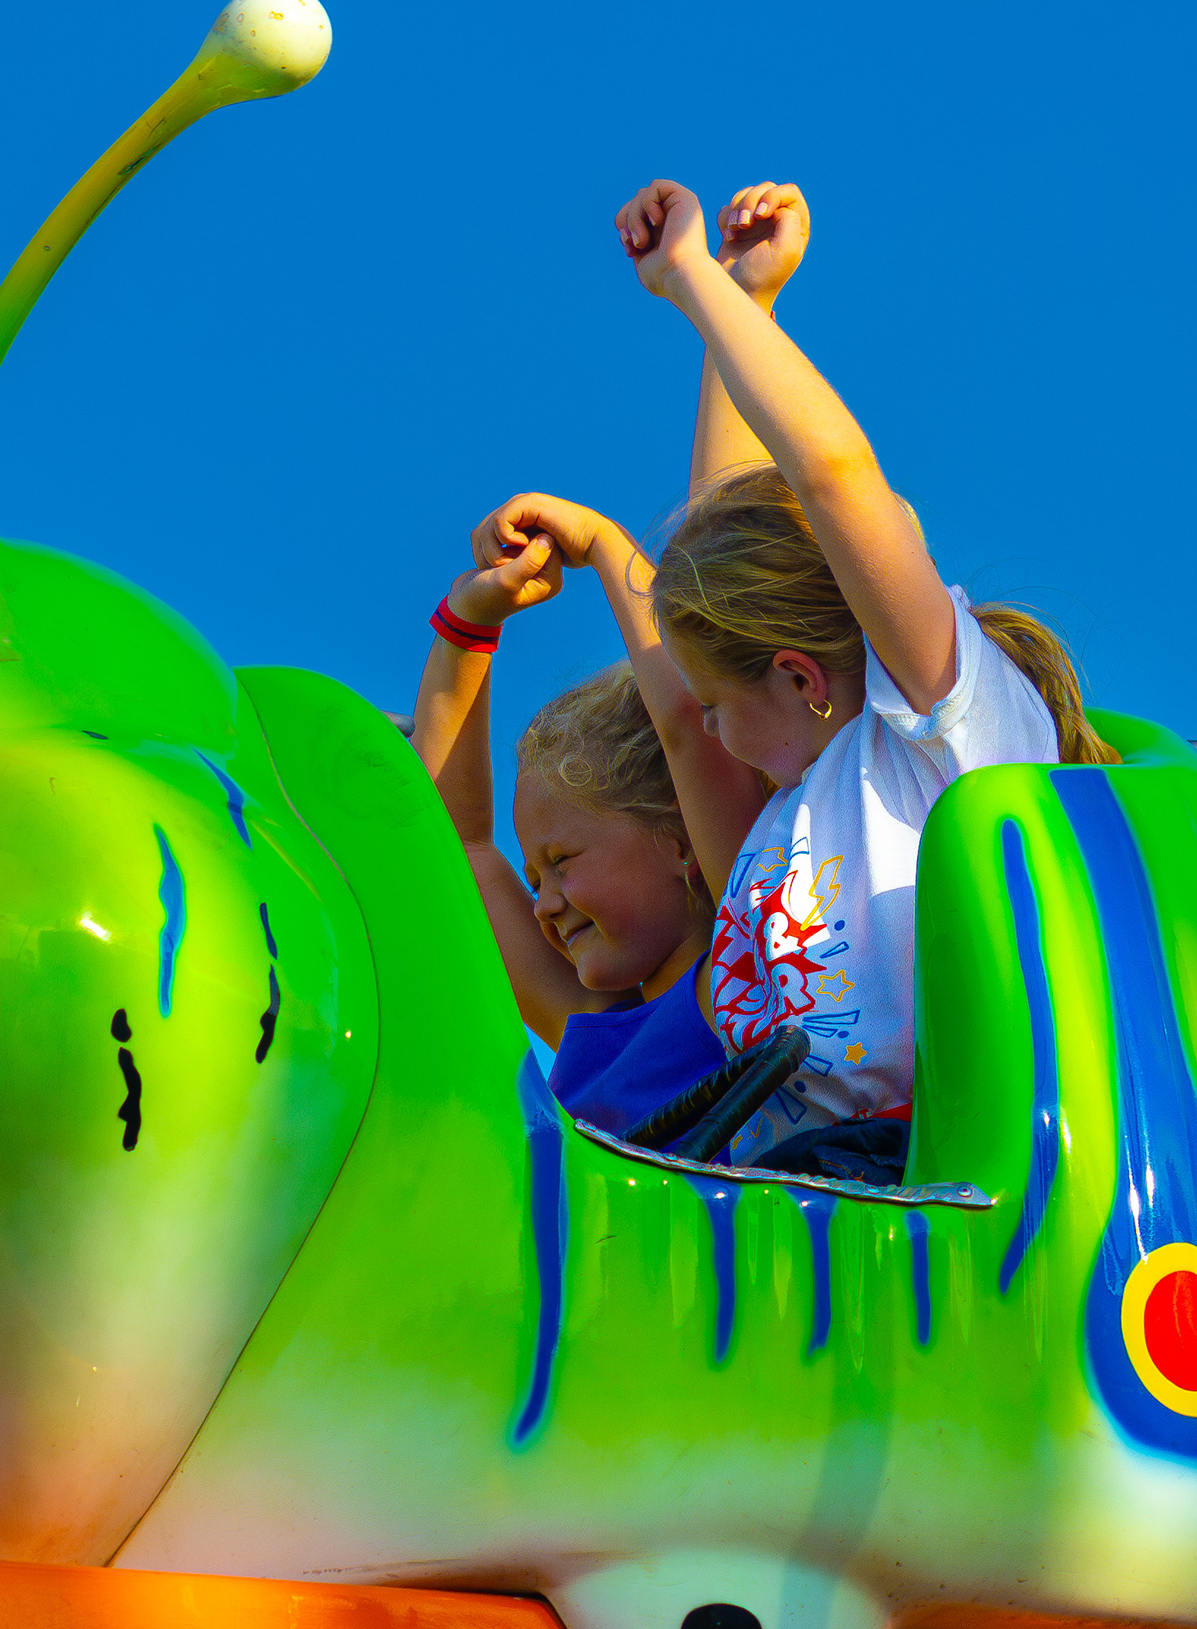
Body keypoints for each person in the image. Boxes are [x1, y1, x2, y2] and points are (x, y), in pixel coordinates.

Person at [475, 182, 1116, 1181]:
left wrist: (694, 284)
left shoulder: (937, 733)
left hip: (933, 1176)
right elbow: (718, 539)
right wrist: (750, 297)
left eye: (723, 705)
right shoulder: (776, 838)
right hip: (788, 1203)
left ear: (799, 676)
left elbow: (835, 482)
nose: (704, 728)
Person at [409, 541, 728, 1135]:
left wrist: (602, 545)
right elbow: (461, 847)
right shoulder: (593, 1030)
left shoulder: (743, 984)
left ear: (681, 839)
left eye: (561, 862)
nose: (543, 904)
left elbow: (687, 729)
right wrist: (468, 624)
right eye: (533, 879)